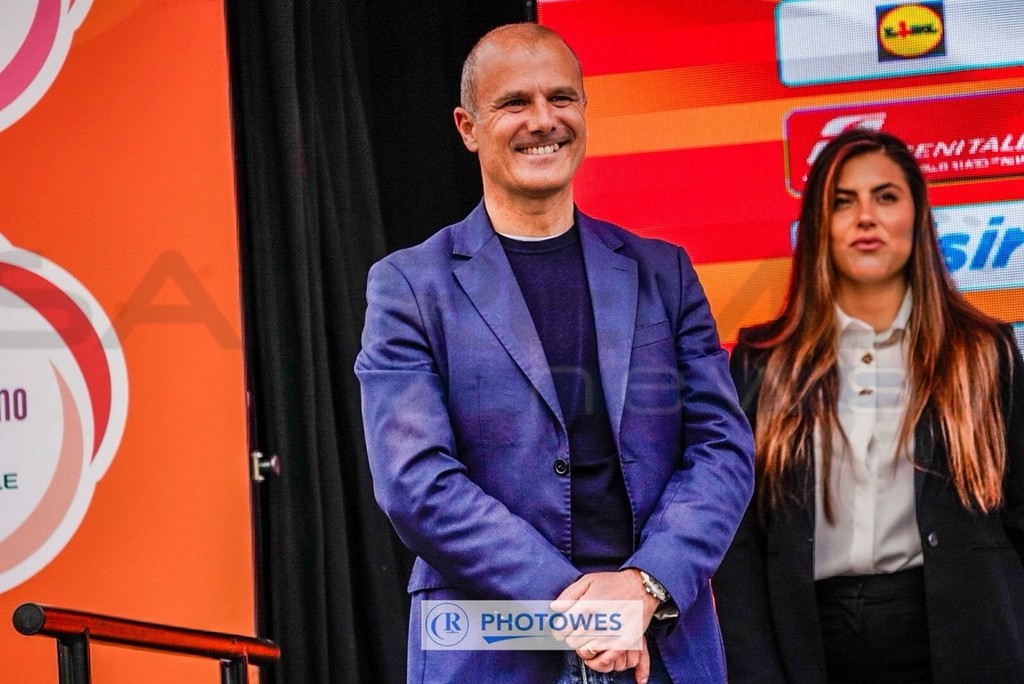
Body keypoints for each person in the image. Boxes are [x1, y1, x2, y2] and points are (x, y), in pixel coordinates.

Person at [355, 22, 754, 684]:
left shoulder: (665, 273)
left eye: (561, 98)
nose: (543, 120)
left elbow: (722, 449)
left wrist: (645, 586)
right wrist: (582, 608)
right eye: (515, 102)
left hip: (658, 642)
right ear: (467, 126)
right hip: (492, 650)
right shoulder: (409, 285)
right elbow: (414, 480)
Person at [713, 128, 1024, 683]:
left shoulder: (984, 353)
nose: (865, 217)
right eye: (842, 201)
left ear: (916, 216)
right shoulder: (763, 363)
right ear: (819, 225)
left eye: (885, 196)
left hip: (966, 637)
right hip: (812, 642)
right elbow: (740, 547)